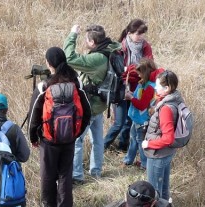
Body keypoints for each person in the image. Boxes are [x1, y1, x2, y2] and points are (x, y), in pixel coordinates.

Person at [28, 46, 91, 207]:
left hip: (48, 140)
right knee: (65, 174)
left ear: (49, 64)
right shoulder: (75, 83)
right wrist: (76, 132)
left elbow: (34, 115)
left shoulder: (44, 86)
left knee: (47, 173)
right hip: (69, 139)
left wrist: (34, 137)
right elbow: (87, 111)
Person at [63, 24, 122, 184]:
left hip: (89, 107)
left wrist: (72, 35)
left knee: (77, 140)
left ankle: (76, 175)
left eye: (86, 40)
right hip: (100, 105)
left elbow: (69, 58)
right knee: (97, 140)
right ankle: (96, 172)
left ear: (92, 42)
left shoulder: (96, 59)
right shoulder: (110, 49)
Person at [103, 19, 153, 152]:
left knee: (129, 120)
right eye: (138, 33)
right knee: (119, 122)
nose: (141, 37)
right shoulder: (120, 47)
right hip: (120, 87)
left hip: (138, 87)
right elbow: (117, 70)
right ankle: (101, 147)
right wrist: (134, 69)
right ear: (129, 33)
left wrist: (130, 70)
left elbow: (149, 66)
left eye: (143, 34)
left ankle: (122, 147)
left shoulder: (145, 46)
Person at [142, 70, 187, 200]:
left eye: (158, 85)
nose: (155, 87)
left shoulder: (166, 108)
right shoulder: (176, 99)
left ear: (167, 88)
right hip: (167, 152)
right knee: (164, 190)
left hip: (158, 154)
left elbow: (168, 138)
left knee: (154, 192)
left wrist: (148, 143)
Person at [123, 58, 160, 169]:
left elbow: (141, 105)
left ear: (146, 73)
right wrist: (132, 94)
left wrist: (130, 98)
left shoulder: (149, 87)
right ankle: (128, 160)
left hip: (142, 120)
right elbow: (138, 97)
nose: (139, 76)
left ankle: (144, 164)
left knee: (140, 142)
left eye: (140, 73)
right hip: (137, 118)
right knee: (133, 139)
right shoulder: (144, 83)